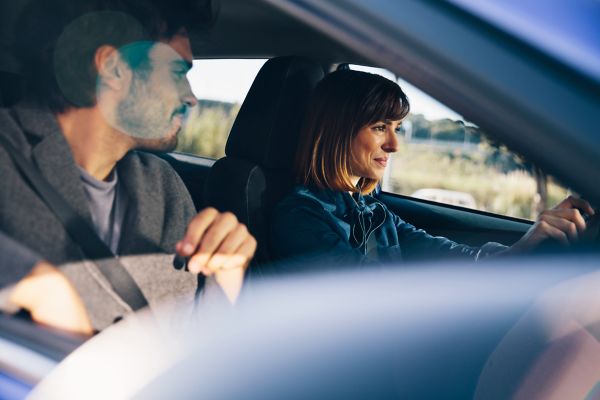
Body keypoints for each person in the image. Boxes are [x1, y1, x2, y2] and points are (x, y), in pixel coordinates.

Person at [0, 0, 256, 334]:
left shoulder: (166, 188)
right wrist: (29, 278)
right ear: (114, 68)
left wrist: (226, 279)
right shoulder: (9, 147)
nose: (191, 97)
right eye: (178, 72)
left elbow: (189, 343)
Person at [270, 70, 595, 269]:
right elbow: (369, 298)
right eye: (380, 127)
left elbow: (445, 252)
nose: (394, 145)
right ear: (338, 131)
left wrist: (522, 248)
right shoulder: (300, 217)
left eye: (397, 128)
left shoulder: (370, 207)